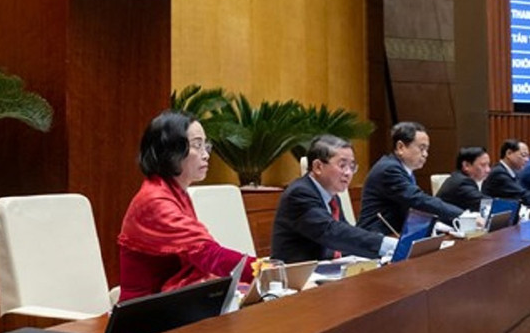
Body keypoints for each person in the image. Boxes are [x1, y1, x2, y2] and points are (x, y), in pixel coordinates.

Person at [117, 110, 255, 301]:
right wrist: (264, 270)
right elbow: (208, 254)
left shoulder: (174, 191)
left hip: (173, 300)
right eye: (197, 145)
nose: (206, 155)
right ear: (170, 150)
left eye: (206, 146)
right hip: (145, 310)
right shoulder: (154, 200)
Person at [270, 135, 396, 262]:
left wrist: (383, 254)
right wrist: (387, 244)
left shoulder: (332, 197)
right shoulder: (300, 194)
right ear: (318, 167)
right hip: (296, 272)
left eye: (352, 167)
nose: (348, 173)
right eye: (342, 165)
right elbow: (333, 233)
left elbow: (347, 237)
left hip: (326, 268)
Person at [358, 121, 463, 234]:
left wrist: (437, 225)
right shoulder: (389, 169)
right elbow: (418, 200)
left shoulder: (404, 170)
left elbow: (411, 209)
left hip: (395, 234)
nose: (425, 154)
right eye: (421, 148)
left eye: (427, 149)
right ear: (400, 147)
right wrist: (462, 215)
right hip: (376, 236)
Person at [482, 139, 530, 207]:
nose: (527, 160)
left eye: (528, 156)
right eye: (523, 155)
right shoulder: (498, 173)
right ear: (509, 153)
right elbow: (521, 194)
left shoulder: (514, 172)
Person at [436, 147, 491, 212]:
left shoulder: (459, 178)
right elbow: (484, 204)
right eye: (483, 165)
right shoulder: (462, 183)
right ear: (466, 165)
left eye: (488, 165)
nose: (488, 170)